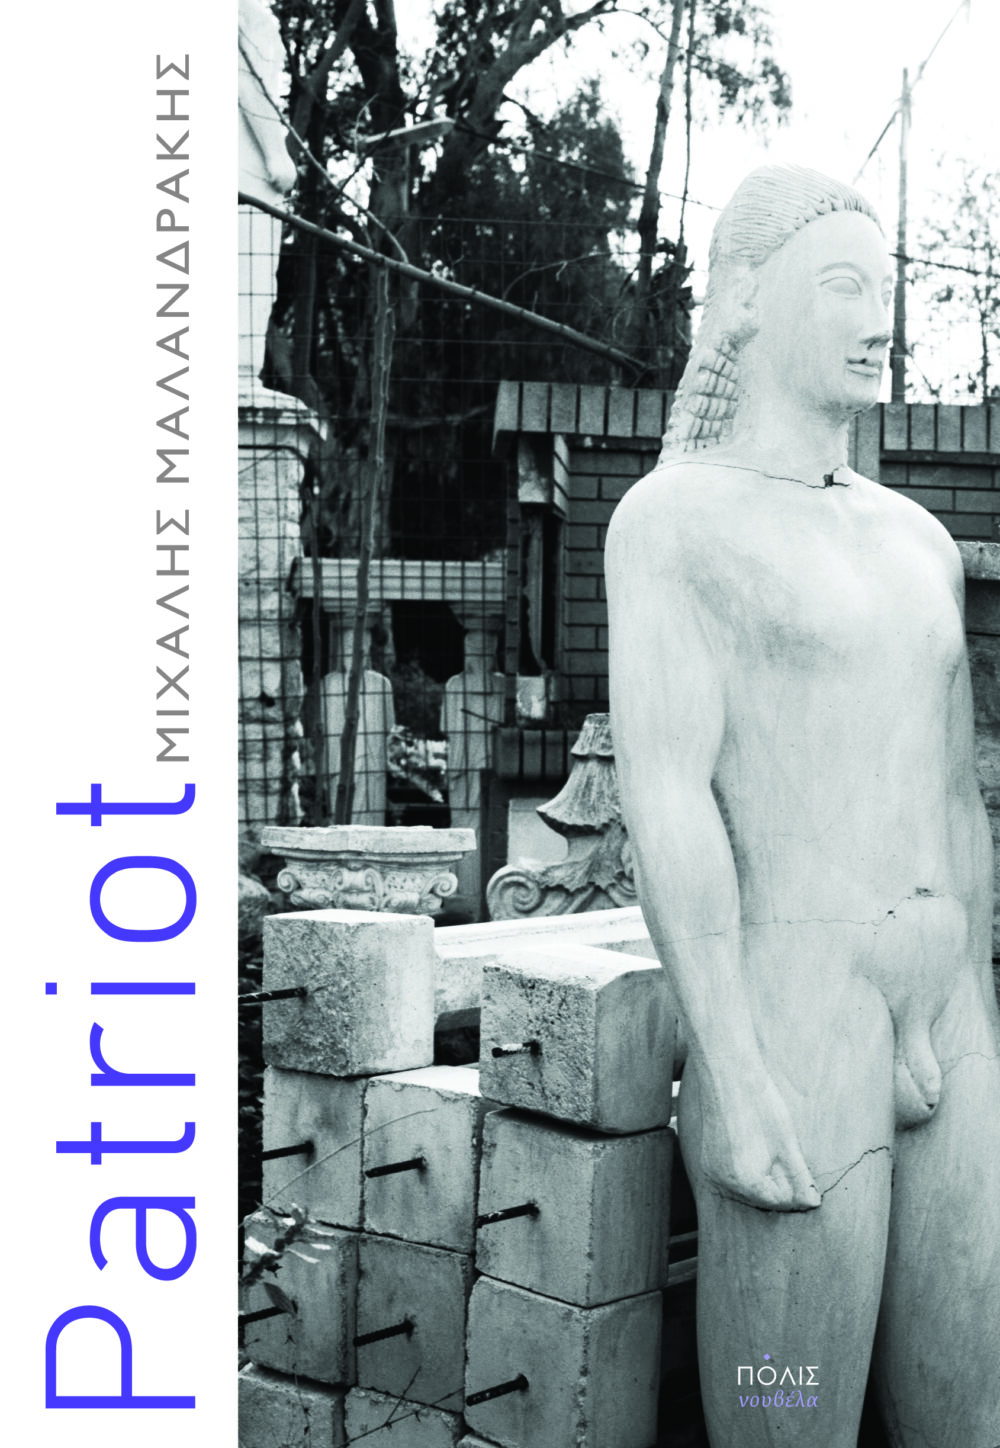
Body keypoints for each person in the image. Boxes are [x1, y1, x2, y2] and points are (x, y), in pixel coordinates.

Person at [605, 165, 1000, 1448]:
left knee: (967, 1405)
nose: (877, 319)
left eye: (886, 290)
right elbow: (668, 800)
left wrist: (975, 1007)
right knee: (791, 1413)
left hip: (948, 1012)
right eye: (842, 286)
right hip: (793, 1021)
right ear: (743, 302)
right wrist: (730, 1068)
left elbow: (956, 794)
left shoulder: (919, 540)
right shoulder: (672, 524)